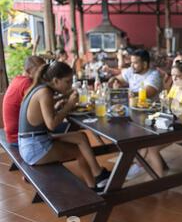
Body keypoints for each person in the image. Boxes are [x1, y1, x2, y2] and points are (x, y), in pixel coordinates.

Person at [18, 61, 111, 193]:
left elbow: (41, 116)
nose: (70, 85)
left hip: (31, 142)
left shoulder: (38, 88)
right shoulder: (45, 92)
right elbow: (51, 124)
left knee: (81, 137)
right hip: (35, 147)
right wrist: (69, 105)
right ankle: (98, 181)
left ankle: (97, 179)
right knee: (80, 151)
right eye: (67, 82)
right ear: (56, 81)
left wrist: (58, 105)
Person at [107, 49, 162, 180]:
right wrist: (114, 80)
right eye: (131, 62)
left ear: (145, 64)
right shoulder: (131, 71)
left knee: (130, 137)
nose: (132, 65)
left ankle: (140, 165)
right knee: (117, 128)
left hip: (151, 116)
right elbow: (117, 78)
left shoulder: (153, 75)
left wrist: (130, 93)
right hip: (134, 113)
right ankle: (139, 162)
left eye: (136, 63)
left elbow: (148, 92)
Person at [144, 60, 182, 176]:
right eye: (173, 76)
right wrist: (163, 101)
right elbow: (168, 104)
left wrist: (175, 103)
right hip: (172, 125)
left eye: (178, 76)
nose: (175, 79)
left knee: (151, 148)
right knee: (144, 141)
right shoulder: (175, 88)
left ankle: (159, 180)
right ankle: (144, 168)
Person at [2, 56, 46, 146]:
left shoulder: (17, 80)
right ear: (29, 71)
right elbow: (41, 111)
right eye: (40, 71)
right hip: (20, 137)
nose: (44, 74)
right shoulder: (27, 83)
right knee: (75, 136)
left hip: (13, 134)